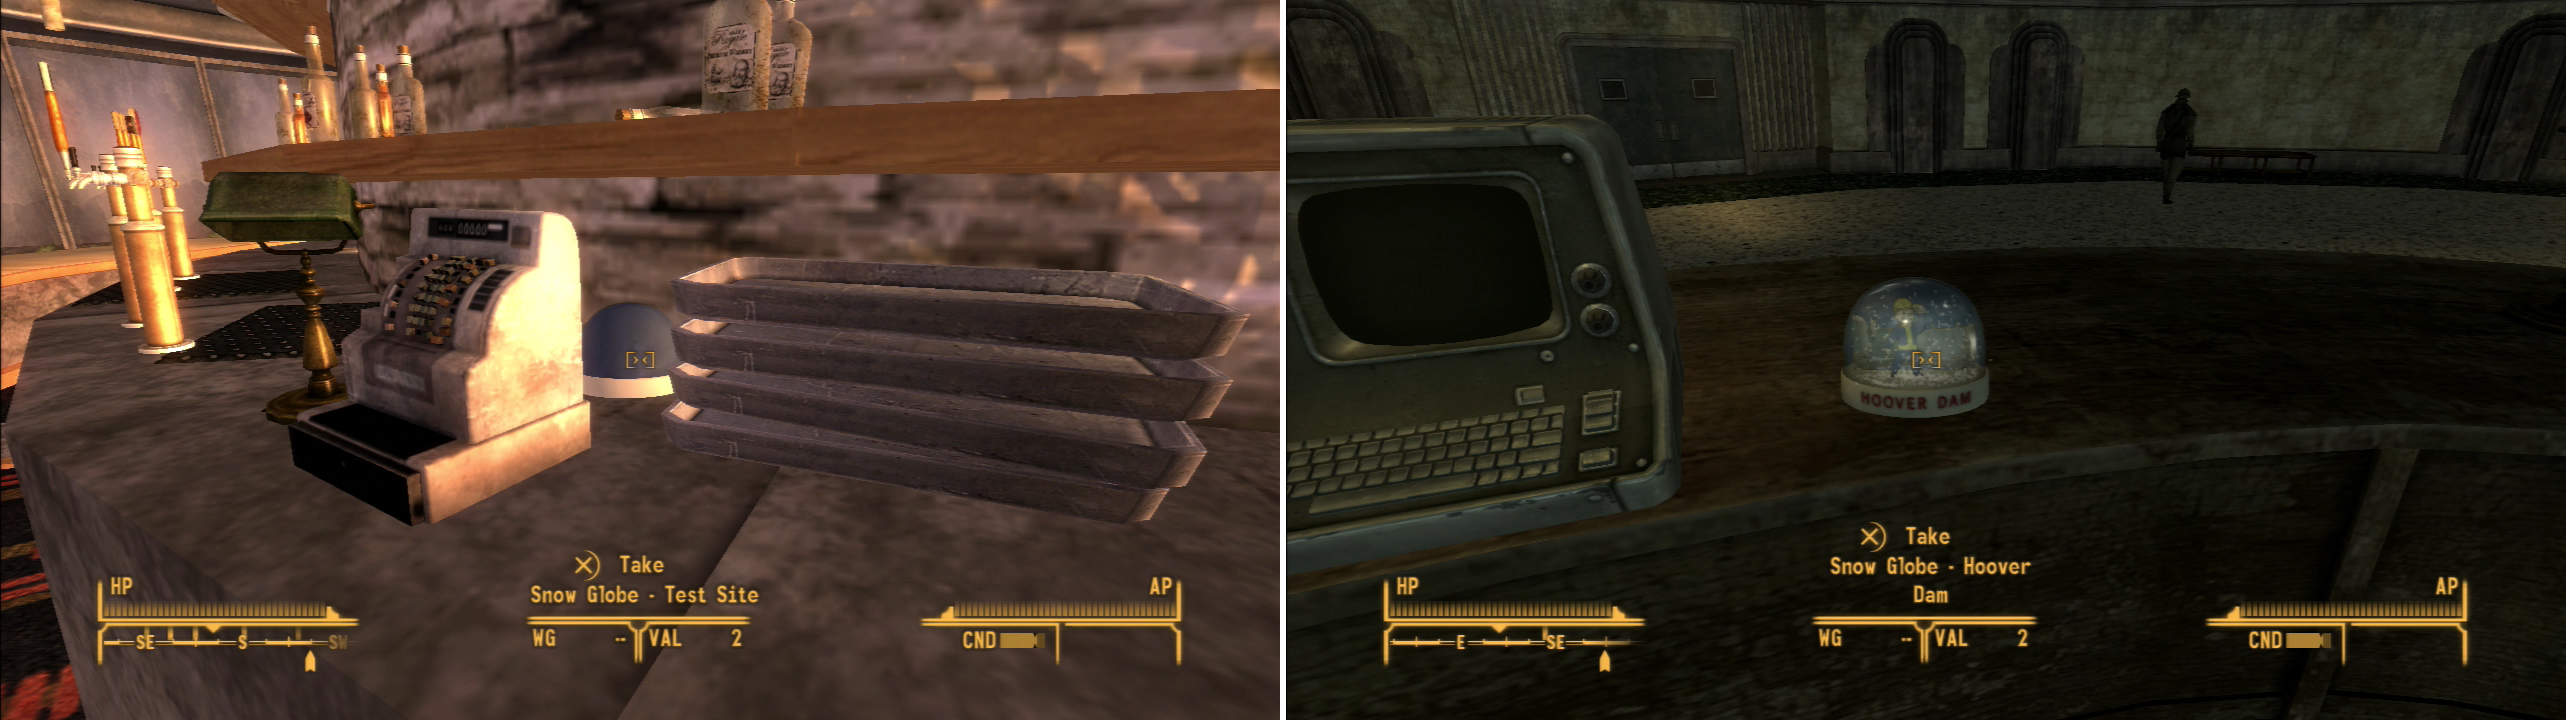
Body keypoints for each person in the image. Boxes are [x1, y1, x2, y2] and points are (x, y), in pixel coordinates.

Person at [2156, 89, 2197, 204]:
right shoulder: (2189, 112)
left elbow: (2159, 130)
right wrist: (2191, 145)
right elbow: (2190, 131)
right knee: (2173, 174)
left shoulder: (2167, 111)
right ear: (2187, 98)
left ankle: (2166, 196)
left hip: (2166, 143)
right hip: (2179, 144)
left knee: (2166, 173)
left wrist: (2159, 143)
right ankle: (2167, 197)